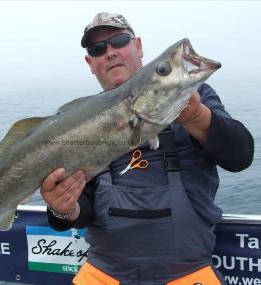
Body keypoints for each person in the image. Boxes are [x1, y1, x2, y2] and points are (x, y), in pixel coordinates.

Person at [40, 12, 254, 285]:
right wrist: (62, 210)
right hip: (104, 273)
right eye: (98, 49)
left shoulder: (194, 96)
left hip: (187, 274)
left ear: (138, 46)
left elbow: (240, 156)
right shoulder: (79, 124)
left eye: (119, 40)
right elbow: (82, 211)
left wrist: (197, 116)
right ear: (90, 63)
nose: (110, 52)